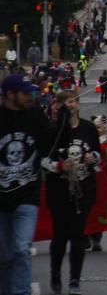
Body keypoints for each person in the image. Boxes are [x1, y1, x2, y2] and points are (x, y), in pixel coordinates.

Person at [42, 90, 102, 295]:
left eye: (73, 102)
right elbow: (42, 161)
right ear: (58, 107)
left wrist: (92, 157)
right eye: (65, 103)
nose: (70, 105)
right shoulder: (53, 131)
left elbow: (98, 153)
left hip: (83, 189)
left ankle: (75, 279)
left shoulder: (88, 128)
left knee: (78, 235)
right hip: (59, 190)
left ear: (78, 104)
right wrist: (60, 166)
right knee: (60, 235)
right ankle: (55, 274)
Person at [0, 73, 50, 295]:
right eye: (25, 93)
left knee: (21, 250)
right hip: (1, 200)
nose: (30, 97)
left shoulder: (35, 115)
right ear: (10, 94)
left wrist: (65, 119)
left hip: (27, 195)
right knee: (4, 255)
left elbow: (52, 140)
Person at [85, 115, 107, 252]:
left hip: (103, 181)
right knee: (87, 208)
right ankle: (86, 236)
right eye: (96, 127)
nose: (100, 129)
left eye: (101, 127)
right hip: (88, 179)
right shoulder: (87, 142)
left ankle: (96, 238)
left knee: (99, 209)